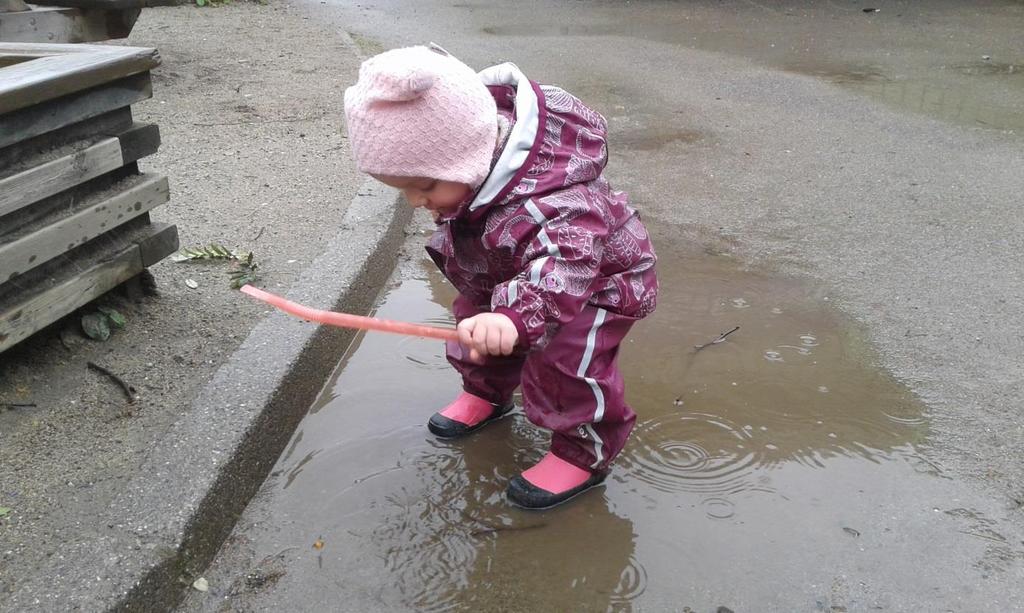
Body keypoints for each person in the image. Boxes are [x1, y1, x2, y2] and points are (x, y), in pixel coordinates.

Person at [343, 44, 657, 509]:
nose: (414, 202)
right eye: (403, 189)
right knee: (474, 325)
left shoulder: (560, 200)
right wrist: (501, 312)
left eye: (423, 186)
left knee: (564, 363)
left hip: (592, 286)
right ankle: (485, 393)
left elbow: (566, 263)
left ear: (469, 156)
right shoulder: (473, 178)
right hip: (504, 275)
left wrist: (516, 315)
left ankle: (583, 453)